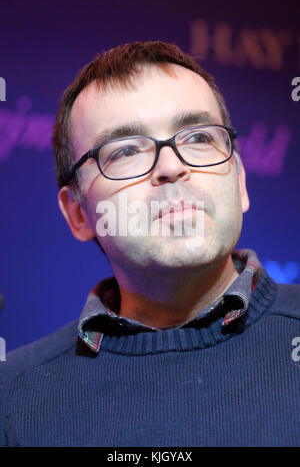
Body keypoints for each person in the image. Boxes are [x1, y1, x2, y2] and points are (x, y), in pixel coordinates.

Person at [1, 41, 300, 447]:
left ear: (241, 180)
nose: (172, 167)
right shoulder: (13, 400)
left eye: (197, 137)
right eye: (125, 150)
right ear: (77, 213)